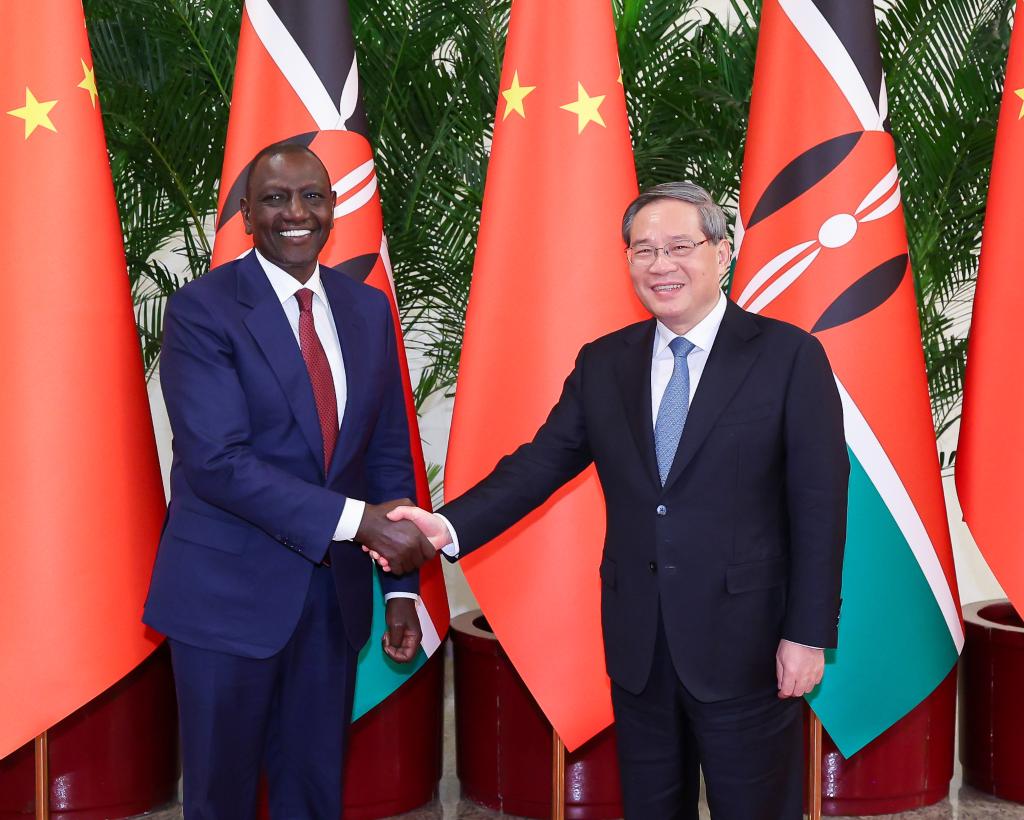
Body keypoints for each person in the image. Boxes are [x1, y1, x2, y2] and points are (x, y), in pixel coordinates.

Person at [385, 182, 849, 819]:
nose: (661, 265)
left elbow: (820, 506)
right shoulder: (606, 362)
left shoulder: (788, 356)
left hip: (750, 643)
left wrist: (806, 634)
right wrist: (446, 525)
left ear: (721, 253)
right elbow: (540, 464)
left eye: (680, 246)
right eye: (644, 250)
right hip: (640, 646)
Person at [143, 142, 435, 819]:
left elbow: (387, 453)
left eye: (312, 197)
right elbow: (218, 462)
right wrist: (360, 522)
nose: (296, 213)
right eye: (275, 199)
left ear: (333, 209)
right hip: (225, 601)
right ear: (247, 215)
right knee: (222, 800)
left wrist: (399, 586)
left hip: (331, 603)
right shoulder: (202, 310)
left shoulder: (366, 309)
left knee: (313, 795)